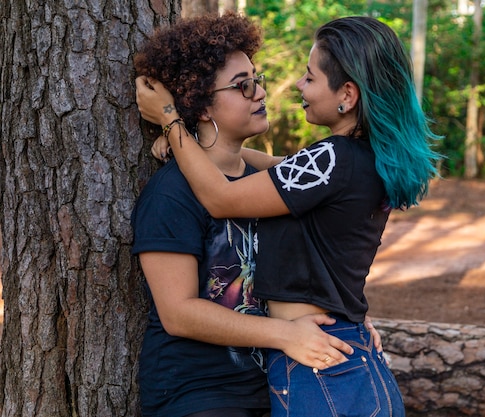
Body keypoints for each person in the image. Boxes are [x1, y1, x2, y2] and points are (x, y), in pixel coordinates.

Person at [136, 16, 441, 417]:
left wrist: (173, 122)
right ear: (203, 103)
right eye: (244, 84)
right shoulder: (175, 193)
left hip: (306, 366)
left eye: (310, 78)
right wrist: (188, 140)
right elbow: (280, 166)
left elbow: (223, 197)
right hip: (214, 391)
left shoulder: (328, 158)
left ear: (347, 95)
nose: (269, 90)